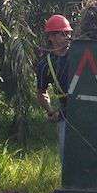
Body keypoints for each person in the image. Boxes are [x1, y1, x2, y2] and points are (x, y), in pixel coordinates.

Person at [36, 14, 72, 161]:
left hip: (85, 107)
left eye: (68, 33)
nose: (67, 37)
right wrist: (50, 110)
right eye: (62, 33)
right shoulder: (45, 64)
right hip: (65, 111)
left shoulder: (78, 54)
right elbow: (41, 92)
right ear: (51, 37)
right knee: (66, 154)